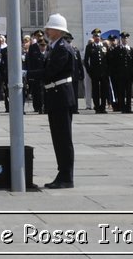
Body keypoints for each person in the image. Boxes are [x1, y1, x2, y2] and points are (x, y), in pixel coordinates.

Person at [38, 13, 77, 189]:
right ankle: (62, 173)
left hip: (60, 96)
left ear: (58, 31)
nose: (46, 30)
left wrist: (26, 75)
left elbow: (50, 72)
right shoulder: (57, 47)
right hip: (56, 95)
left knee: (63, 138)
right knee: (58, 138)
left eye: (49, 28)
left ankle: (66, 176)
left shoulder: (62, 48)